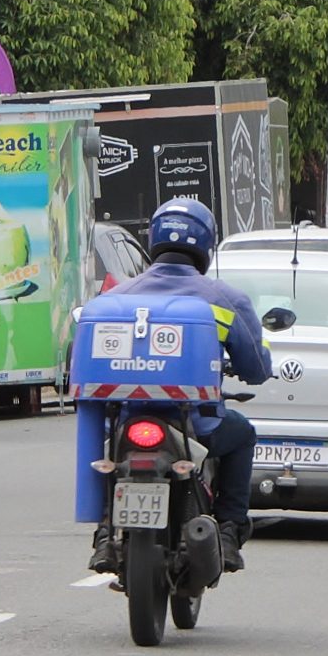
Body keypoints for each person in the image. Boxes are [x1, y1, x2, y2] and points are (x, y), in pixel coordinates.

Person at [100, 197, 273, 570]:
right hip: (198, 426)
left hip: (125, 421)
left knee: (101, 449)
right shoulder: (226, 299)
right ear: (206, 246)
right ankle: (228, 529)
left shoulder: (116, 297)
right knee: (242, 434)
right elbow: (256, 367)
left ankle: (102, 531)